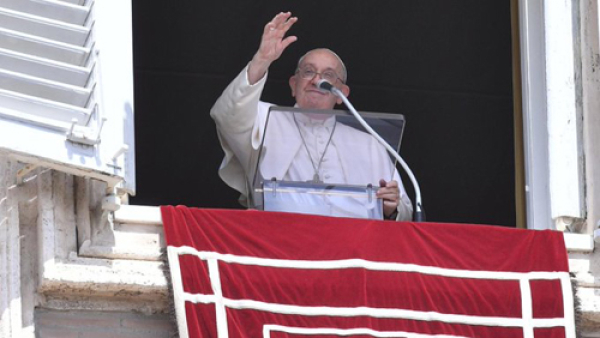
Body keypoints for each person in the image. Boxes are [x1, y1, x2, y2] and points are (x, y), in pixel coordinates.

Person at [210, 12, 413, 221]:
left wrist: (392, 208)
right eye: (308, 72)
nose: (317, 80)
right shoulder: (264, 120)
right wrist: (261, 60)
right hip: (279, 241)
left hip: (351, 247)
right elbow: (228, 115)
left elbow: (404, 210)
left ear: (342, 94)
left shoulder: (369, 143)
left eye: (328, 75)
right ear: (293, 85)